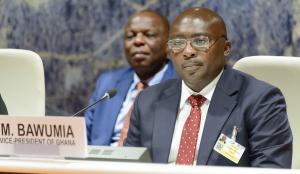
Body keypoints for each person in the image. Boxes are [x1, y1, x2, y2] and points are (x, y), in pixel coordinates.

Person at [124, 7, 292, 168]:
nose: (188, 51)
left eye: (200, 41)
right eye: (178, 43)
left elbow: (270, 169)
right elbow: (126, 166)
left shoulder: (260, 99)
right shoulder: (148, 100)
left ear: (226, 48)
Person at [85, 10, 177, 146]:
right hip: (100, 163)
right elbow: (85, 137)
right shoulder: (108, 82)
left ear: (169, 44)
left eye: (149, 35)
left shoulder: (182, 84)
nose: (138, 41)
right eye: (130, 36)